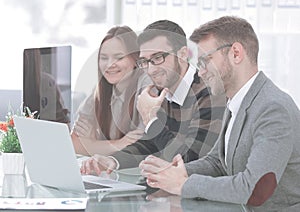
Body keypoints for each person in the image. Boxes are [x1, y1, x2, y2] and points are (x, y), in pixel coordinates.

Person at [139, 16, 300, 211]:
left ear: (236, 53)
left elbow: (255, 189)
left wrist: (183, 184)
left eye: (205, 61)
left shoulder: (272, 108)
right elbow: (217, 162)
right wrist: (173, 172)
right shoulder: (236, 101)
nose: (200, 72)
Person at [80, 20, 225, 174]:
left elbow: (188, 160)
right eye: (145, 61)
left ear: (182, 54)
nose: (151, 69)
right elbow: (150, 143)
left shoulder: (209, 94)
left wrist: (150, 119)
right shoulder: (163, 91)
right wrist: (113, 160)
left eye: (158, 58)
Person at [71, 26, 151, 156]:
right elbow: (74, 143)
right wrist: (119, 143)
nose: (109, 64)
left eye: (119, 57)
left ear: (135, 59)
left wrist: (92, 143)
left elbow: (139, 147)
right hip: (108, 171)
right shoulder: (101, 90)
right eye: (104, 58)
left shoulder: (146, 85)